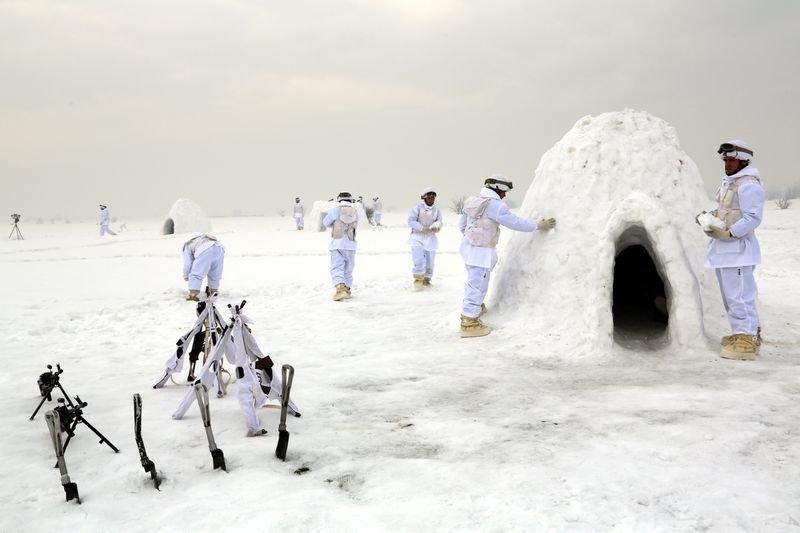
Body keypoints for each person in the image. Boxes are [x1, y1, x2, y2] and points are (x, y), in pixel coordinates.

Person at [458, 175, 556, 338]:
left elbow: (462, 224)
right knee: (478, 284)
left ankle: (474, 308)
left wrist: (472, 238)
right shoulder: (495, 206)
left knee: (474, 282)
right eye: (505, 191)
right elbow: (515, 222)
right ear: (498, 189)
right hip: (481, 253)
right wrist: (537, 225)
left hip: (469, 250)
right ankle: (469, 321)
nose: (506, 195)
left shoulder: (473, 201)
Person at [696, 140, 764, 360]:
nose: (727, 163)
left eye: (731, 159)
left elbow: (753, 217)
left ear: (743, 160)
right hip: (725, 252)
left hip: (738, 252)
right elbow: (725, 209)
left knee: (740, 296)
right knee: (730, 296)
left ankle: (746, 339)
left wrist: (730, 233)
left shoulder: (749, 185)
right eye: (725, 159)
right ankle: (743, 333)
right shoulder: (730, 182)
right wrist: (710, 218)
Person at [323, 192, 359, 301]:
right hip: (351, 244)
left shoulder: (335, 210)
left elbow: (326, 222)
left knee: (337, 266)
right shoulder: (356, 212)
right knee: (348, 267)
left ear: (339, 199)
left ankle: (340, 288)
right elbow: (357, 224)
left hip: (337, 243)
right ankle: (347, 287)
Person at [407, 187, 443, 289]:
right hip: (417, 237)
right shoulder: (417, 208)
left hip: (431, 238)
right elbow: (410, 221)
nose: (431, 199)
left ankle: (427, 279)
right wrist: (422, 228)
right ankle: (418, 279)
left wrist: (437, 226)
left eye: (433, 197)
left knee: (430, 260)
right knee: (418, 259)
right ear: (424, 198)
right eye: (429, 197)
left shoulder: (436, 210)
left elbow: (440, 221)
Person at [182, 234, 225, 301]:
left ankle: (193, 294)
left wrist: (186, 276)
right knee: (215, 272)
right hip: (219, 247)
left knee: (197, 272)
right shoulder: (199, 240)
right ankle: (213, 291)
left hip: (205, 249)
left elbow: (188, 264)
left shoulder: (187, 246)